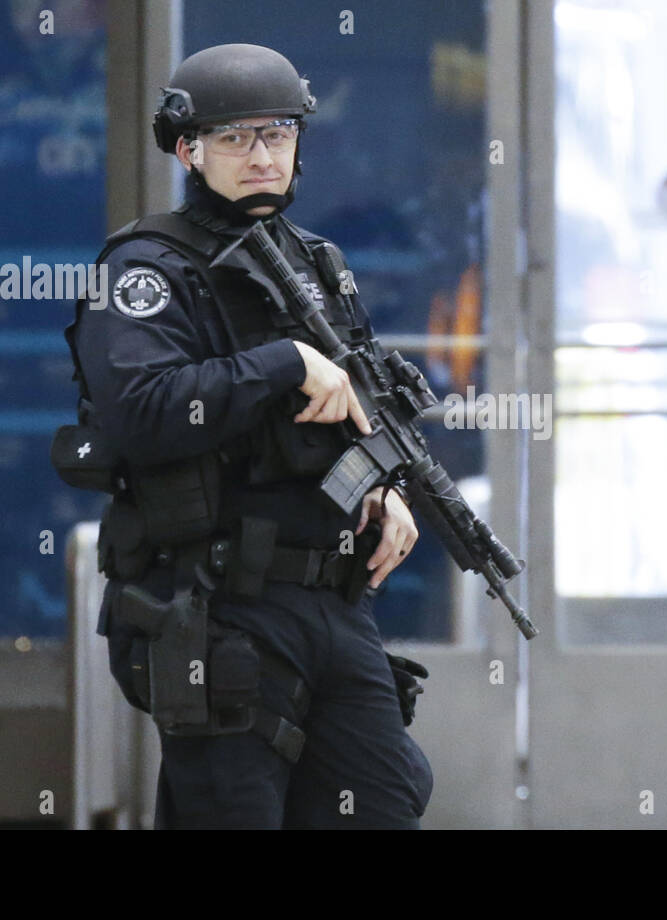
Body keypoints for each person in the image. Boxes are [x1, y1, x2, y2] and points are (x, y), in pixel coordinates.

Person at [58, 43, 433, 828]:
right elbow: (143, 412)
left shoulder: (316, 265)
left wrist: (384, 486)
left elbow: (356, 401)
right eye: (235, 138)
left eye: (277, 134)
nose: (261, 155)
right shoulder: (147, 269)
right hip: (215, 602)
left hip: (331, 601)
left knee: (384, 802)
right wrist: (281, 363)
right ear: (189, 150)